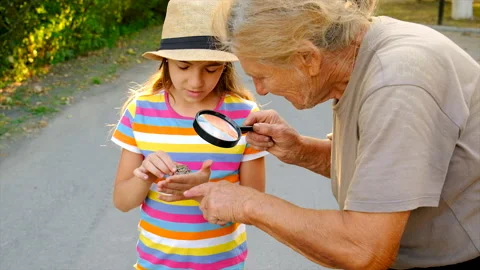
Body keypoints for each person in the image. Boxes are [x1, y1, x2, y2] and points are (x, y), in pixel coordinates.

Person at [182, 0, 480, 269]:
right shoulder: (361, 55)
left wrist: (245, 203)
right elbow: (383, 177)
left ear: (308, 58)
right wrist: (301, 151)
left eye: (262, 75)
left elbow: (365, 250)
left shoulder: (396, 83)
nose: (261, 90)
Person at [110, 0, 267, 269]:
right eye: (183, 66)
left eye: (211, 68)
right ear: (165, 62)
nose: (196, 82)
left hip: (223, 264)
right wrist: (145, 175)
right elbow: (122, 201)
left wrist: (201, 192)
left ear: (225, 66)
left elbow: (255, 207)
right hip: (153, 264)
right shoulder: (141, 111)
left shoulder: (244, 116)